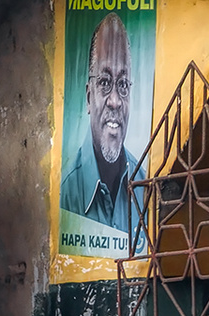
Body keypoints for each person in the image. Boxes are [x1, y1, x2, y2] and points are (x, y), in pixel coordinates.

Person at [59, 13, 142, 242]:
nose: (115, 100)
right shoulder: (66, 192)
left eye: (123, 84)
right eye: (105, 82)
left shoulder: (145, 186)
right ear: (88, 97)